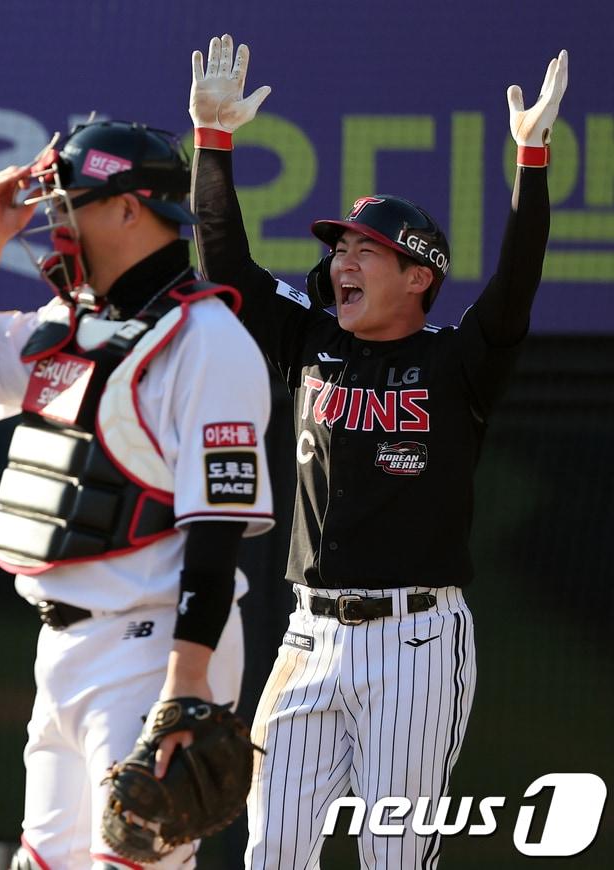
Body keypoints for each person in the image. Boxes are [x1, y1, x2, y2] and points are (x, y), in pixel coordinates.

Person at [187, 34, 569, 868]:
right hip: (307, 634)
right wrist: (212, 145)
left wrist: (531, 159)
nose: (341, 260)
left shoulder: (456, 364)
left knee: (393, 855)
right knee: (273, 850)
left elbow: (517, 285)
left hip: (417, 642)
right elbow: (226, 265)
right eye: (339, 248)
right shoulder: (312, 342)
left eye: (365, 249)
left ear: (419, 276)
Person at [0, 118, 275, 868]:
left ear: (129, 207)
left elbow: (216, 532)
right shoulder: (70, 323)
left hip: (153, 647)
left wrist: (186, 691)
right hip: (64, 648)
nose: (54, 222)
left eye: (70, 200)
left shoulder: (209, 340)